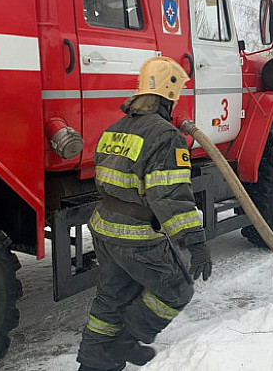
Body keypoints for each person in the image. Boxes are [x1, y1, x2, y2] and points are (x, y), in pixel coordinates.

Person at [76, 56, 212, 371]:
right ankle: (128, 340)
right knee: (176, 289)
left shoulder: (114, 130)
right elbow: (171, 196)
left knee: (111, 297)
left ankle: (95, 364)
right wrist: (195, 242)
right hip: (135, 235)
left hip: (105, 228)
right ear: (170, 97)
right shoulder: (166, 136)